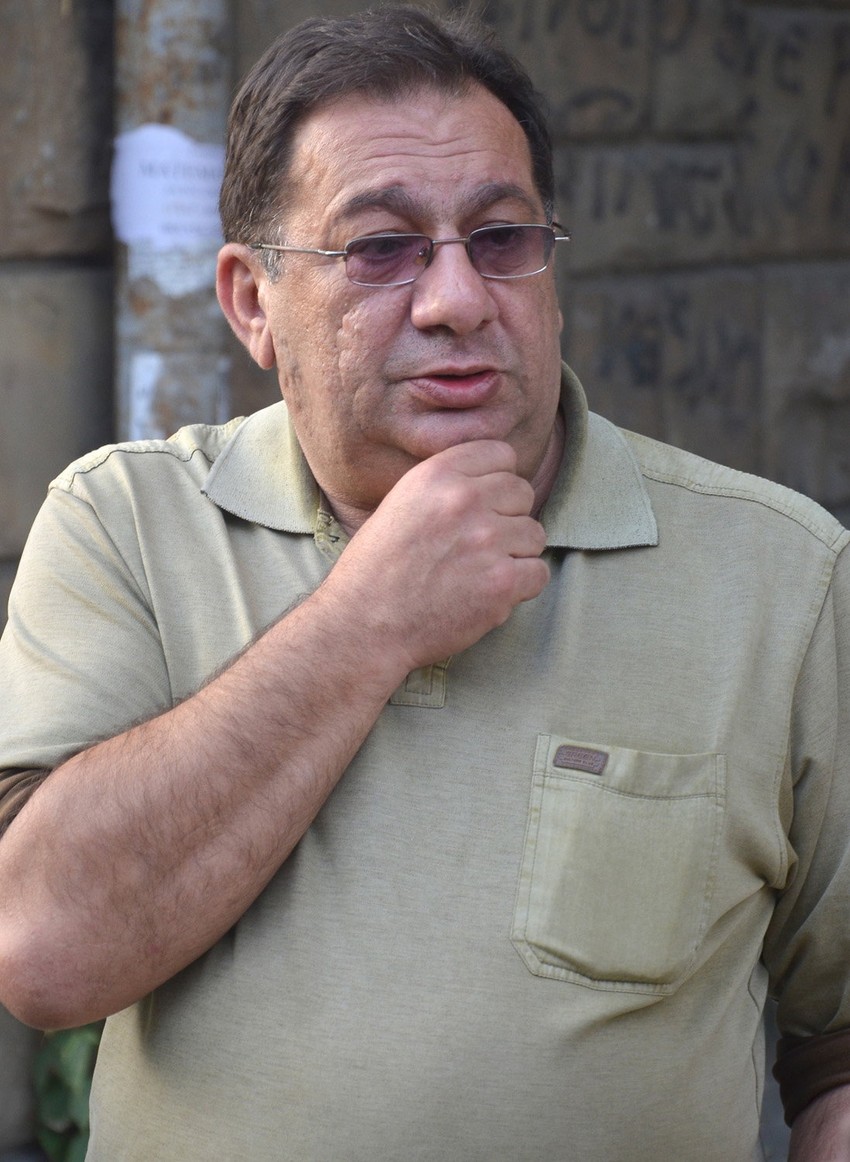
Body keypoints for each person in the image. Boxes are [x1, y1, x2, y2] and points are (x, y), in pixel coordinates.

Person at [0, 6, 849, 1159]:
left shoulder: (782, 576)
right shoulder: (128, 525)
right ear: (252, 302)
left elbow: (837, 1048)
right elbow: (43, 951)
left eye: (500, 237)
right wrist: (369, 619)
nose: (457, 299)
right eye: (380, 247)